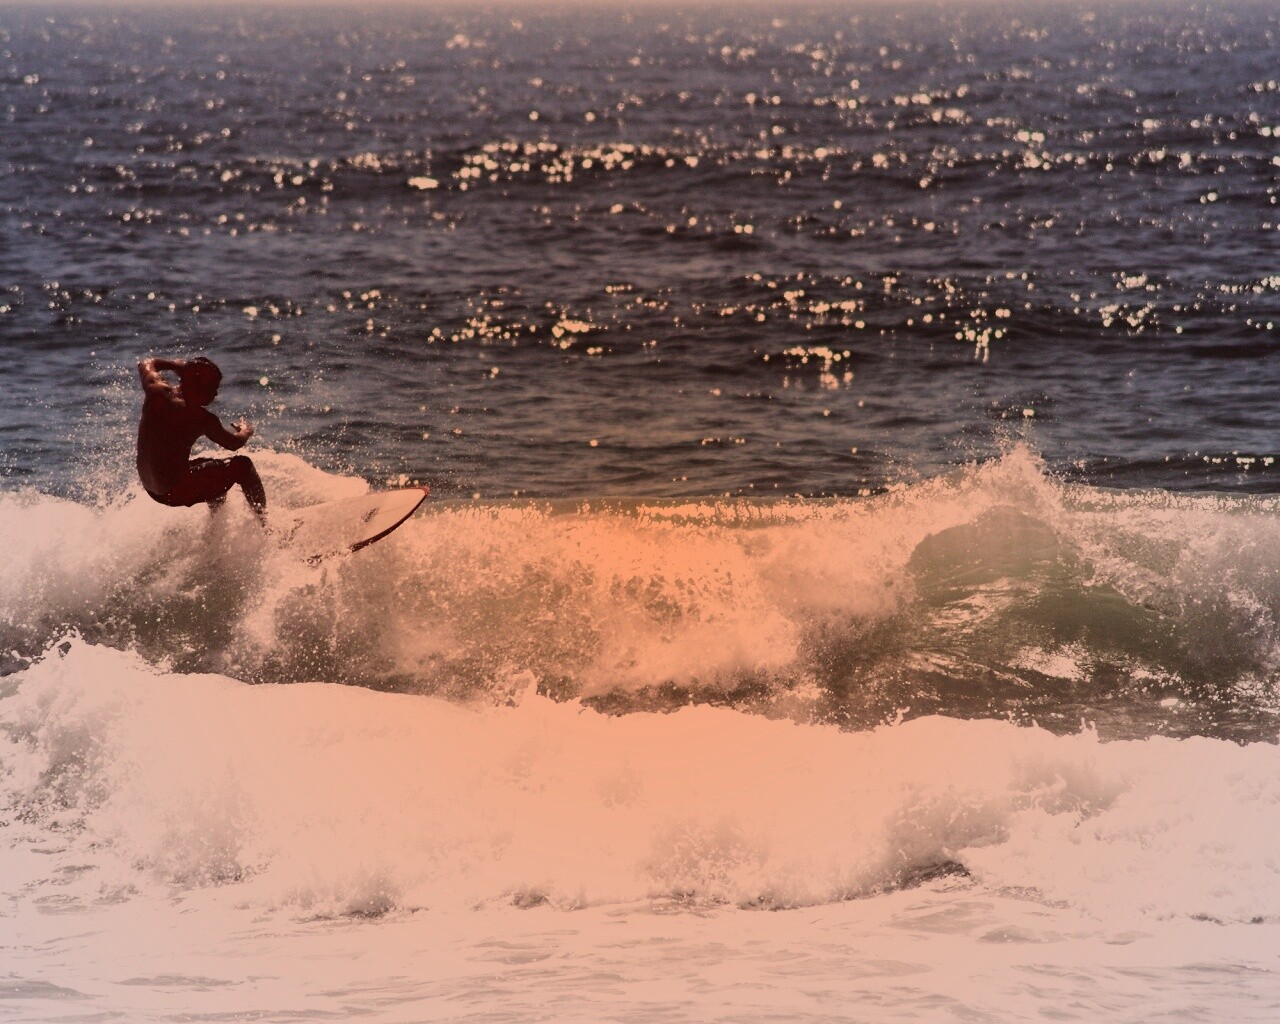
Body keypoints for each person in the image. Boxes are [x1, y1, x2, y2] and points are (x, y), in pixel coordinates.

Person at [136, 355, 267, 522]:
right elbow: (234, 444)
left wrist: (179, 366)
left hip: (151, 488)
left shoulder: (156, 390)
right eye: (212, 387)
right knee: (243, 465)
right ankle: (266, 526)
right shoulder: (201, 418)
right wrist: (245, 431)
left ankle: (214, 528)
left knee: (213, 467)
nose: (216, 393)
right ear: (196, 385)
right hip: (174, 491)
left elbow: (146, 363)